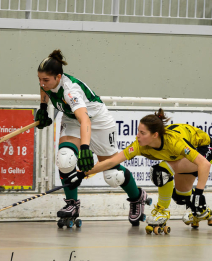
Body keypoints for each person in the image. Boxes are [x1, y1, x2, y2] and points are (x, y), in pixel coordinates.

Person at [35, 49, 150, 227]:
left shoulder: (70, 91)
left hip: (97, 121)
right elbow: (46, 92)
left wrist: (85, 148)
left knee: (113, 175)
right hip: (72, 120)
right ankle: (72, 205)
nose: (42, 84)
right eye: (39, 79)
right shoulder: (47, 84)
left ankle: (137, 197)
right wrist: (43, 108)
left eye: (46, 80)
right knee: (65, 159)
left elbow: (85, 120)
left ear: (58, 77)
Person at [65, 108, 212, 230]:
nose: (137, 136)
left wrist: (199, 193)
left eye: (142, 133)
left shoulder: (174, 143)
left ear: (154, 135)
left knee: (161, 172)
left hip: (205, 148)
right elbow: (112, 161)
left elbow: (204, 164)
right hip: (182, 157)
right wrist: (83, 174)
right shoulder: (139, 146)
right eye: (138, 131)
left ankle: (162, 211)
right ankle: (202, 211)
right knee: (181, 198)